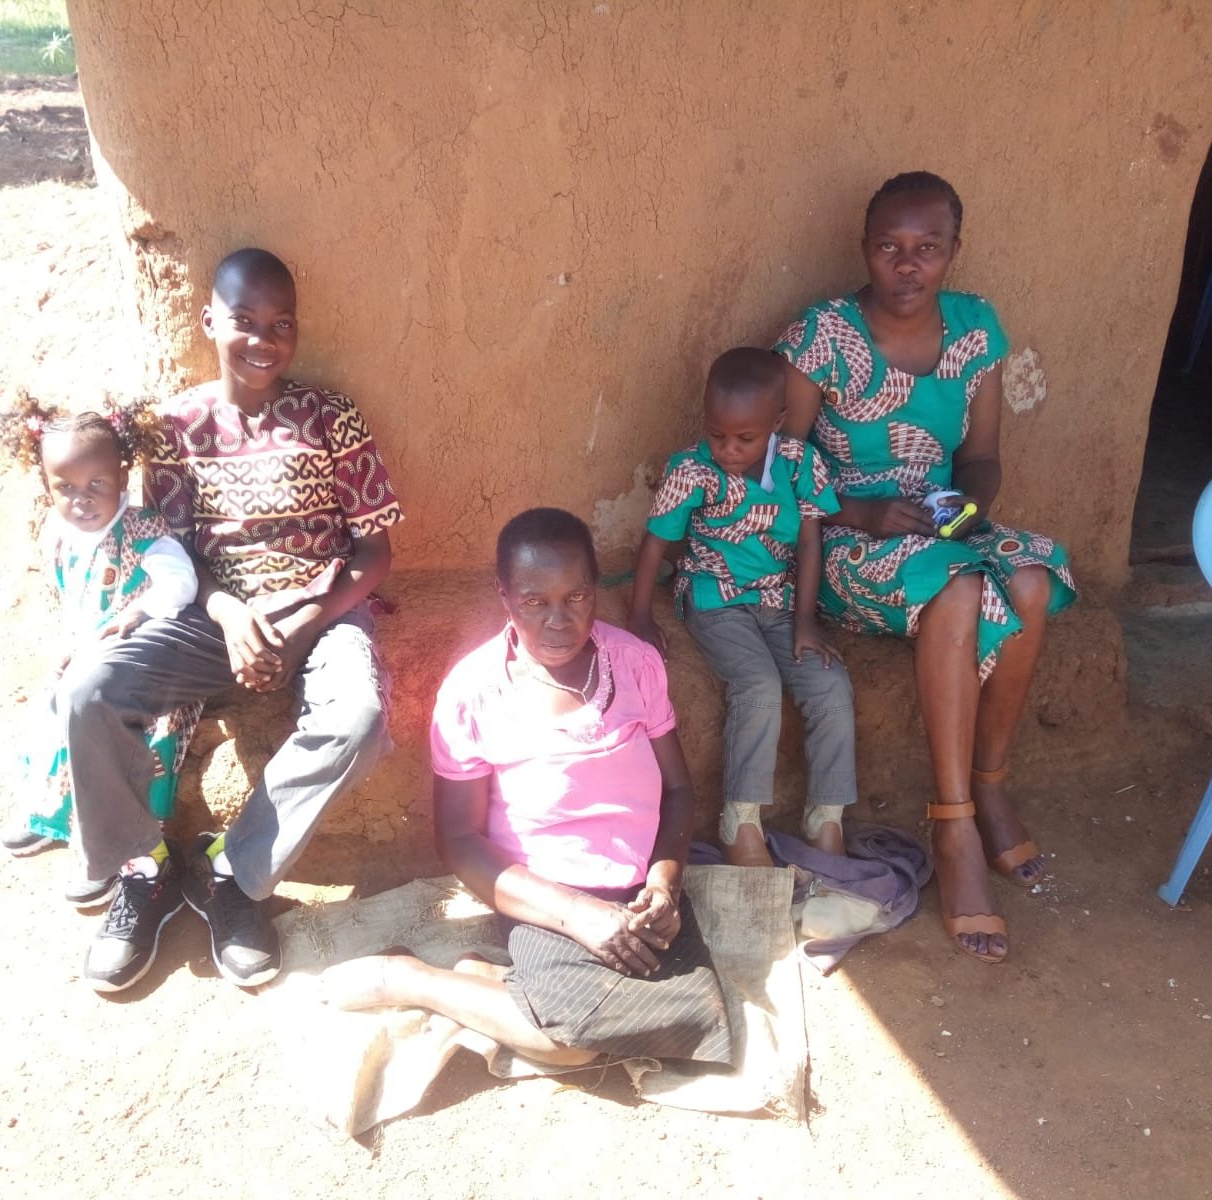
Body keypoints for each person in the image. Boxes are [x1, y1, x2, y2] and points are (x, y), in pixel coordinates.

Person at [61, 246, 403, 993]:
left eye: (281, 324)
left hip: (322, 607)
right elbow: (175, 550)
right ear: (209, 319)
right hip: (209, 612)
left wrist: (309, 622)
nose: (263, 340)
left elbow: (375, 549)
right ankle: (141, 868)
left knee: (362, 719)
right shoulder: (177, 426)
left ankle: (233, 874)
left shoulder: (329, 416)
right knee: (89, 689)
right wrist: (229, 614)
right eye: (244, 320)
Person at [773, 171, 1076, 963]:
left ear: (953, 253)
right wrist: (859, 512)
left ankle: (992, 780)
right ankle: (954, 825)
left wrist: (966, 511)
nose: (907, 266)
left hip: (939, 528)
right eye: (889, 247)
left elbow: (981, 459)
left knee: (1033, 581)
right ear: (864, 249)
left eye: (928, 249)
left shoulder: (976, 332)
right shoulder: (822, 337)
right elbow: (781, 468)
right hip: (841, 538)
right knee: (961, 584)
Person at [321, 508, 732, 1067]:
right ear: (505, 597)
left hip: (636, 894)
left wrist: (664, 884)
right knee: (567, 1043)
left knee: (693, 1015)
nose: (558, 621)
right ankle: (414, 979)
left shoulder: (635, 664)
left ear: (594, 591)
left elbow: (678, 790)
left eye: (577, 598)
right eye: (534, 602)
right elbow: (460, 840)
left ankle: (494, 983)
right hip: (542, 895)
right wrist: (575, 916)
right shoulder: (473, 692)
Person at [626, 348, 857, 866]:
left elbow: (810, 543)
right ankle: (742, 821)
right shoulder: (692, 470)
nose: (728, 449)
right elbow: (656, 542)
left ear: (776, 423)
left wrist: (805, 621)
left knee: (830, 684)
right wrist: (639, 615)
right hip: (712, 596)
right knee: (757, 683)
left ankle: (827, 819)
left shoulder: (800, 464)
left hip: (778, 601)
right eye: (717, 434)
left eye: (745, 438)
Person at [0, 394, 201, 911]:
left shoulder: (143, 531)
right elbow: (74, 606)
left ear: (123, 478)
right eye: (65, 488)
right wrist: (69, 648)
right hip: (86, 660)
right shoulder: (62, 539)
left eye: (97, 486)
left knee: (118, 737)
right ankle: (55, 820)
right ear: (46, 485)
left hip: (138, 668)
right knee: (52, 717)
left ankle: (116, 852)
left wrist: (144, 611)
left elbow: (181, 582)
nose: (82, 500)